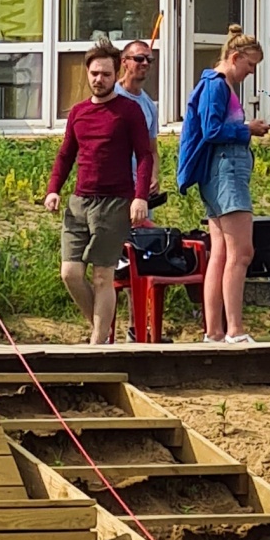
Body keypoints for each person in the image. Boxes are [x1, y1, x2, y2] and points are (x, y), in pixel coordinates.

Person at [44, 43, 156, 345]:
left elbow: (144, 155)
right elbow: (66, 155)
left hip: (115, 202)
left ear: (116, 72)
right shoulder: (78, 113)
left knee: (103, 276)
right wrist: (53, 190)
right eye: (94, 73)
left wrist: (140, 196)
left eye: (106, 74)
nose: (99, 79)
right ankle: (103, 329)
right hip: (80, 201)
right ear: (87, 73)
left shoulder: (129, 111)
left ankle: (98, 341)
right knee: (70, 273)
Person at [175, 26, 270, 344]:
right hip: (225, 173)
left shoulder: (220, 85)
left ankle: (214, 330)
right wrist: (248, 129)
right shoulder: (217, 86)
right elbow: (212, 131)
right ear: (235, 57)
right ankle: (235, 329)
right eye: (250, 65)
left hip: (221, 173)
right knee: (242, 252)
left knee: (220, 252)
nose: (251, 72)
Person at [117, 40, 158, 139]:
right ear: (124, 62)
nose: (145, 63)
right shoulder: (110, 96)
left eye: (149, 60)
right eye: (139, 58)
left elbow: (152, 150)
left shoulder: (150, 106)